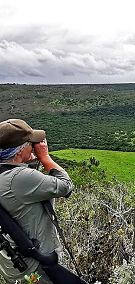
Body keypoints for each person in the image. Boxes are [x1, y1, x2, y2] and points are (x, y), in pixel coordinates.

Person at [0, 119, 74, 284]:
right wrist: (45, 157)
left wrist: (28, 161)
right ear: (19, 151)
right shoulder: (19, 179)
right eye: (30, 143)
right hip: (35, 267)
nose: (36, 144)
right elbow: (66, 186)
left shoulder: (5, 175)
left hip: (14, 263)